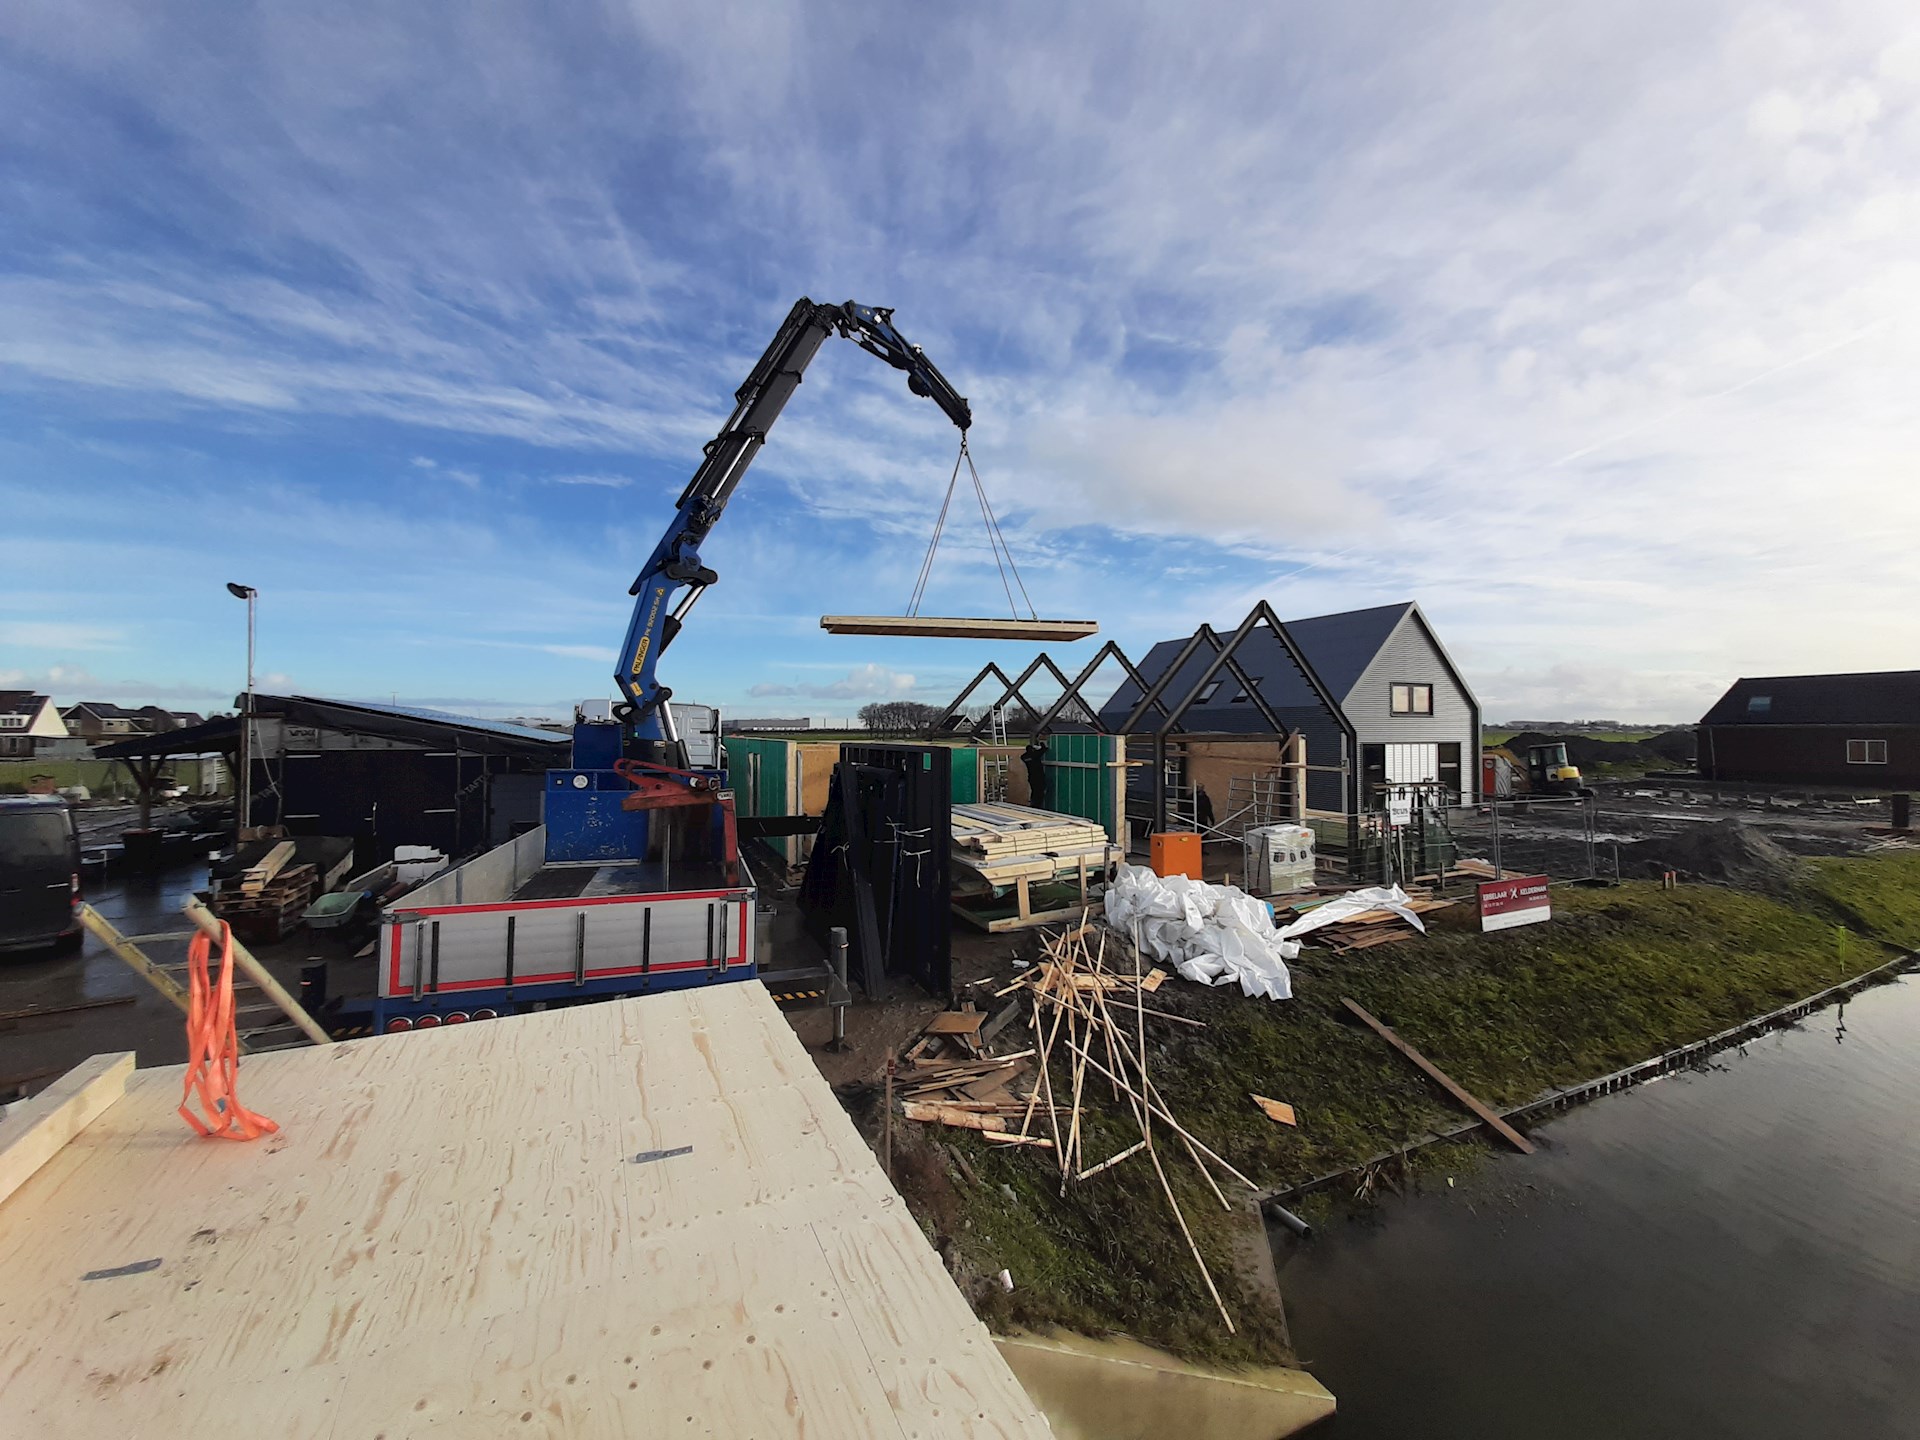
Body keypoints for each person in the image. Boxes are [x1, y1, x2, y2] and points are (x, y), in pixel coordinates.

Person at [1021, 737, 1049, 809]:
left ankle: (1033, 805)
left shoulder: (1025, 757)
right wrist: (1041, 743)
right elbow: (1044, 749)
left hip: (1032, 777)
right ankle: (1037, 806)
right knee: (1040, 792)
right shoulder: (1035, 755)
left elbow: (1023, 756)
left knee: (1034, 792)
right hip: (1039, 777)